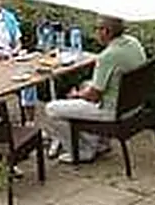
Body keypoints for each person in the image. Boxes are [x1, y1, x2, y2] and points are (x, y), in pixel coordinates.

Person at [41, 15, 146, 164]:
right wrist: (85, 89)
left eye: (96, 28)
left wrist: (76, 95)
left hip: (110, 110)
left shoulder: (107, 57)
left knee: (51, 109)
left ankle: (83, 151)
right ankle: (100, 143)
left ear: (106, 31)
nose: (95, 32)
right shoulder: (133, 43)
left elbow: (94, 96)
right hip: (133, 105)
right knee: (85, 84)